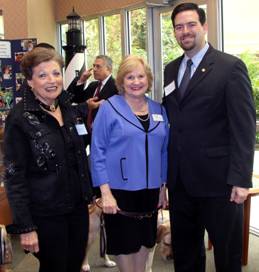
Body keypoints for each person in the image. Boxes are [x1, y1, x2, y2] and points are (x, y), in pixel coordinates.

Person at [163, 3, 256, 272]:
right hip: (181, 184)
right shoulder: (171, 69)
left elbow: (244, 127)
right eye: (179, 27)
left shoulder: (230, 67)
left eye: (191, 24)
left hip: (220, 185)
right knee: (186, 255)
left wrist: (241, 179)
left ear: (204, 26)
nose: (185, 31)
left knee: (227, 257)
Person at [4, 47, 92, 272]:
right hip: (45, 216)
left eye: (56, 73)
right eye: (42, 75)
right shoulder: (20, 119)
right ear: (30, 81)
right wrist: (26, 227)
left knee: (74, 266)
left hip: (77, 210)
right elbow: (15, 177)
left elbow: (79, 154)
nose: (51, 80)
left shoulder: (68, 109)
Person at [90, 55, 169, 272]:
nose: (136, 82)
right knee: (125, 246)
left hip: (151, 191)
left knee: (145, 242)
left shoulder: (159, 110)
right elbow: (97, 152)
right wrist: (104, 192)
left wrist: (163, 186)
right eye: (130, 77)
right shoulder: (109, 108)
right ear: (121, 81)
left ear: (148, 79)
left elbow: (164, 152)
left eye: (140, 76)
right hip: (119, 192)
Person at [71, 55, 118, 133]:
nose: (94, 69)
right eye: (94, 66)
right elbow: (77, 99)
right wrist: (82, 80)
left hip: (107, 132)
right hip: (88, 133)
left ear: (108, 69)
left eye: (98, 66)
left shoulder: (117, 86)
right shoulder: (93, 85)